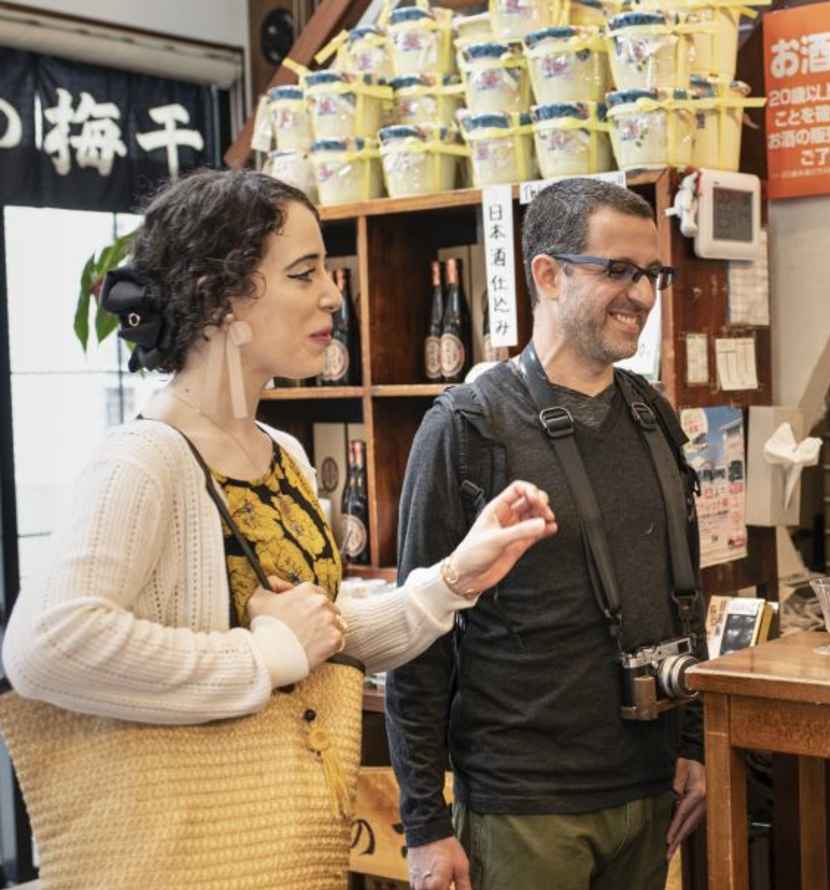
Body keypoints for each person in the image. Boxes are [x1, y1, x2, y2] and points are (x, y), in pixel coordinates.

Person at [1, 169, 556, 871]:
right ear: (218, 296)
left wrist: (450, 581)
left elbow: (319, 631)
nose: (332, 292)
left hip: (282, 849)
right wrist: (263, 657)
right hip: (181, 859)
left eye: (326, 270)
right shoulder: (144, 460)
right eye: (303, 273)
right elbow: (46, 643)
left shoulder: (281, 452)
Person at [387, 178, 707, 890]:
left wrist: (693, 741)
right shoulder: (468, 425)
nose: (644, 296)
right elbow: (417, 641)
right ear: (547, 274)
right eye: (617, 271)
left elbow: (685, 586)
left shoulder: (653, 414)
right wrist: (425, 826)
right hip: (523, 807)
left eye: (651, 274)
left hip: (651, 791)